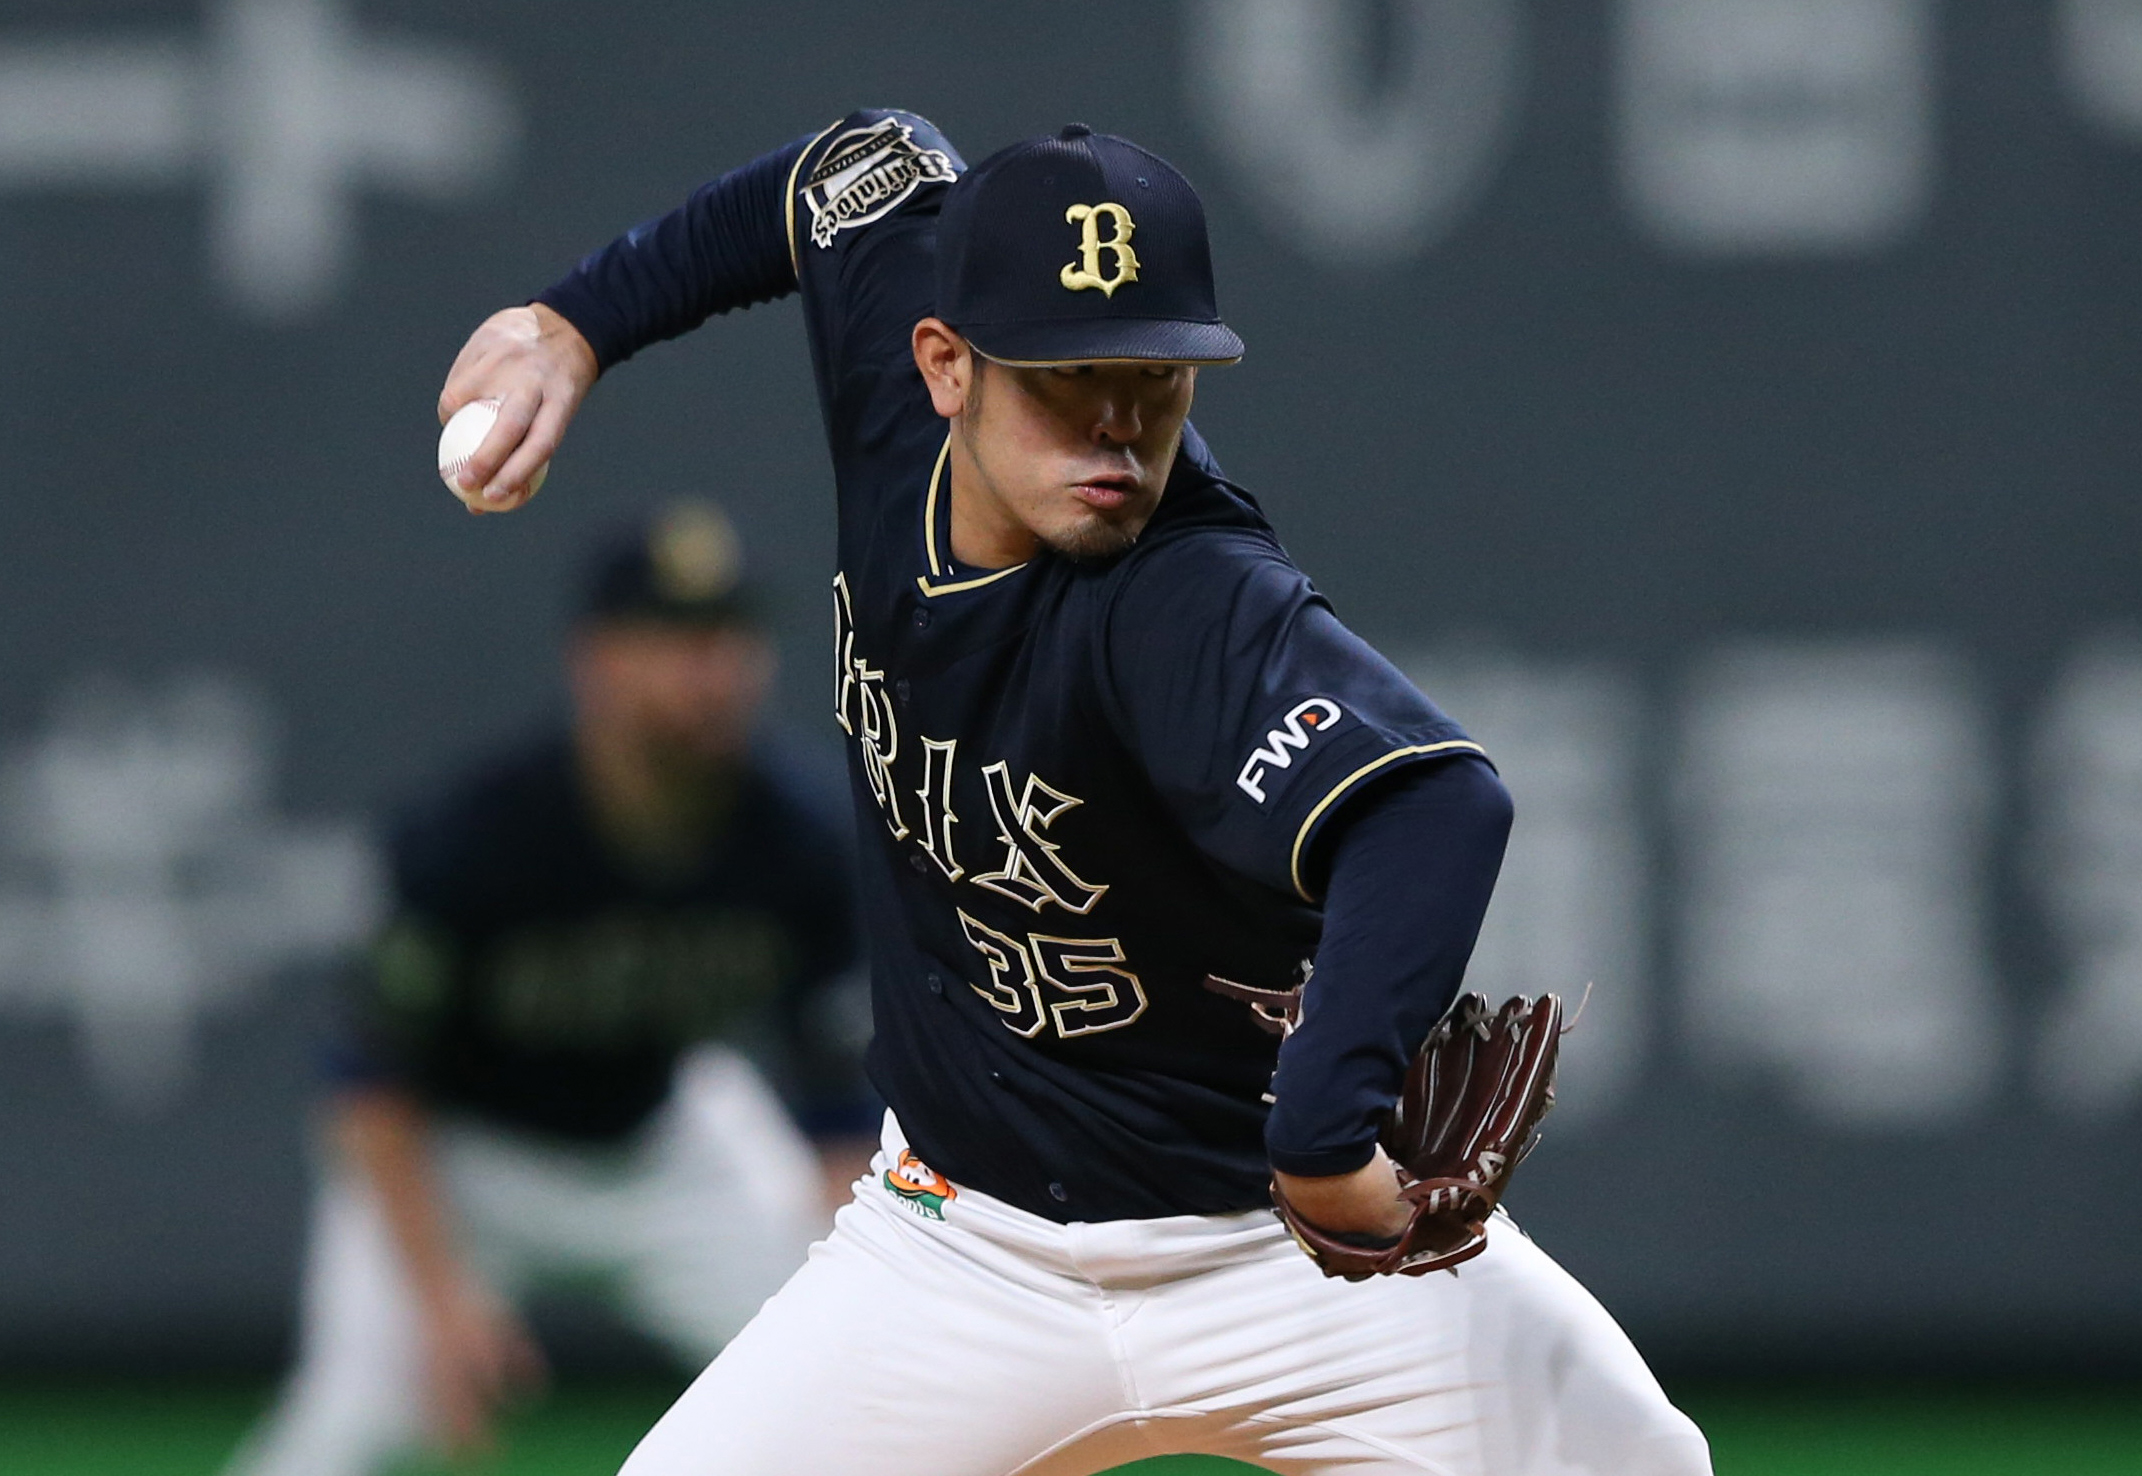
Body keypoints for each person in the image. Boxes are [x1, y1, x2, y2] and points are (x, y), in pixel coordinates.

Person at [436, 113, 1711, 1475]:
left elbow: (1435, 806)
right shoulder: (894, 385)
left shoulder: (1187, 592)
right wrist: (572, 325)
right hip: (955, 1256)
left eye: (1152, 375)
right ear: (945, 364)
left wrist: (1324, 1125)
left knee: (1642, 1464)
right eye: (1065, 376)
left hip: (1282, 1260)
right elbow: (852, 167)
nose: (1114, 424)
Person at [224, 502, 874, 1476]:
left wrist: (848, 1292)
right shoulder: (480, 838)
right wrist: (442, 1300)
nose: (715, 671)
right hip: (463, 1159)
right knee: (347, 1429)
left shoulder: (804, 839)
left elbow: (835, 1104)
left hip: (665, 1146)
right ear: (596, 660)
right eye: (677, 640)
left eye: (731, 638)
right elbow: (368, 1083)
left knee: (846, 1388)